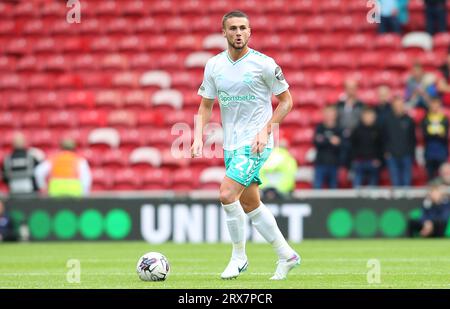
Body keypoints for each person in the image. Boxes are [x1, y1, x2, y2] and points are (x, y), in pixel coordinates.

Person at [191, 11, 300, 280]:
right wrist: (196, 135)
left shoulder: (264, 64)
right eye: (233, 29)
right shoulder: (214, 66)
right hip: (231, 145)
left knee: (227, 194)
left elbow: (286, 101)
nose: (238, 33)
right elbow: (206, 105)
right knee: (250, 203)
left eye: (243, 28)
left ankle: (239, 258)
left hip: (256, 142)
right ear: (224, 32)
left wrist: (266, 130)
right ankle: (287, 255)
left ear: (250, 32)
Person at [383, 96, 416, 186]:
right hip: (392, 154)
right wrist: (386, 151)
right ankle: (397, 200)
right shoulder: (387, 120)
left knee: (406, 180)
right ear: (393, 106)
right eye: (396, 105)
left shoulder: (409, 120)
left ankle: (406, 199)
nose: (398, 107)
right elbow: (384, 138)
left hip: (406, 154)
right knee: (395, 180)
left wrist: (411, 153)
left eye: (400, 105)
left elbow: (412, 139)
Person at [335, 79, 365, 167]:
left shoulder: (361, 105)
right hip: (342, 139)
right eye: (349, 88)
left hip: (357, 140)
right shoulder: (339, 105)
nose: (351, 90)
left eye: (353, 88)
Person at [350, 108, 383, 187]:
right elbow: (352, 145)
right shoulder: (357, 130)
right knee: (356, 187)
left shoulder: (378, 130)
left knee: (373, 189)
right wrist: (354, 159)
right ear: (362, 117)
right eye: (367, 116)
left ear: (374, 117)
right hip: (359, 161)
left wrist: (378, 159)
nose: (369, 118)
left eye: (371, 116)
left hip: (373, 161)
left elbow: (381, 146)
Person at [313, 106, 341, 189]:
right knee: (317, 187)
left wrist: (324, 140)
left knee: (333, 187)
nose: (329, 116)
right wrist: (330, 141)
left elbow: (342, 145)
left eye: (331, 113)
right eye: (327, 113)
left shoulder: (339, 129)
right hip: (321, 162)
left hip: (334, 163)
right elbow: (316, 142)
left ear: (335, 115)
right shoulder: (319, 128)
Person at [421, 96, 449, 180]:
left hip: (441, 151)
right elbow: (425, 135)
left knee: (443, 175)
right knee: (430, 175)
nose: (435, 107)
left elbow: (445, 135)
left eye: (437, 105)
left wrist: (434, 134)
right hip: (429, 152)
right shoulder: (426, 119)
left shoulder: (444, 119)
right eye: (433, 105)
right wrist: (437, 134)